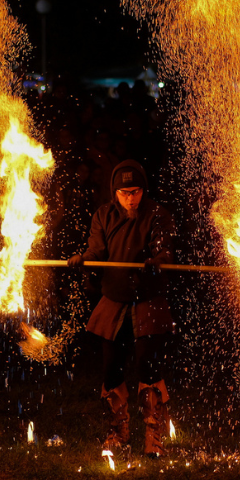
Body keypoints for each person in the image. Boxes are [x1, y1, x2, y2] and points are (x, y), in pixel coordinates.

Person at [67, 159, 175, 457]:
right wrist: (83, 258)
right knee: (111, 367)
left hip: (147, 300)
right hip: (114, 299)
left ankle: (154, 435)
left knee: (147, 366)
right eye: (125, 192)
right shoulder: (103, 215)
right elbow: (97, 249)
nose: (131, 198)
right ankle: (117, 431)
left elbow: (164, 245)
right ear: (115, 192)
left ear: (144, 190)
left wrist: (158, 259)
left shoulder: (156, 214)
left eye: (137, 191)